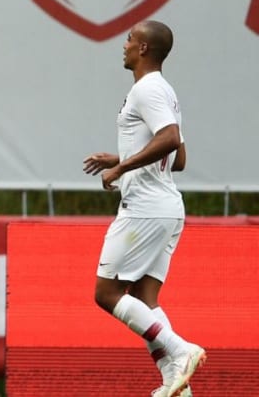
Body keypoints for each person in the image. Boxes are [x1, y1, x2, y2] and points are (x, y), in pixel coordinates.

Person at [82, 20, 205, 397]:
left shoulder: (147, 89)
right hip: (166, 207)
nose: (125, 45)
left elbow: (169, 140)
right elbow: (179, 157)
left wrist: (121, 167)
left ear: (144, 49)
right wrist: (119, 156)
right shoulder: (164, 92)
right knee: (143, 300)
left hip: (145, 210)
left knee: (106, 294)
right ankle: (175, 382)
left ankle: (181, 350)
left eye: (130, 39)